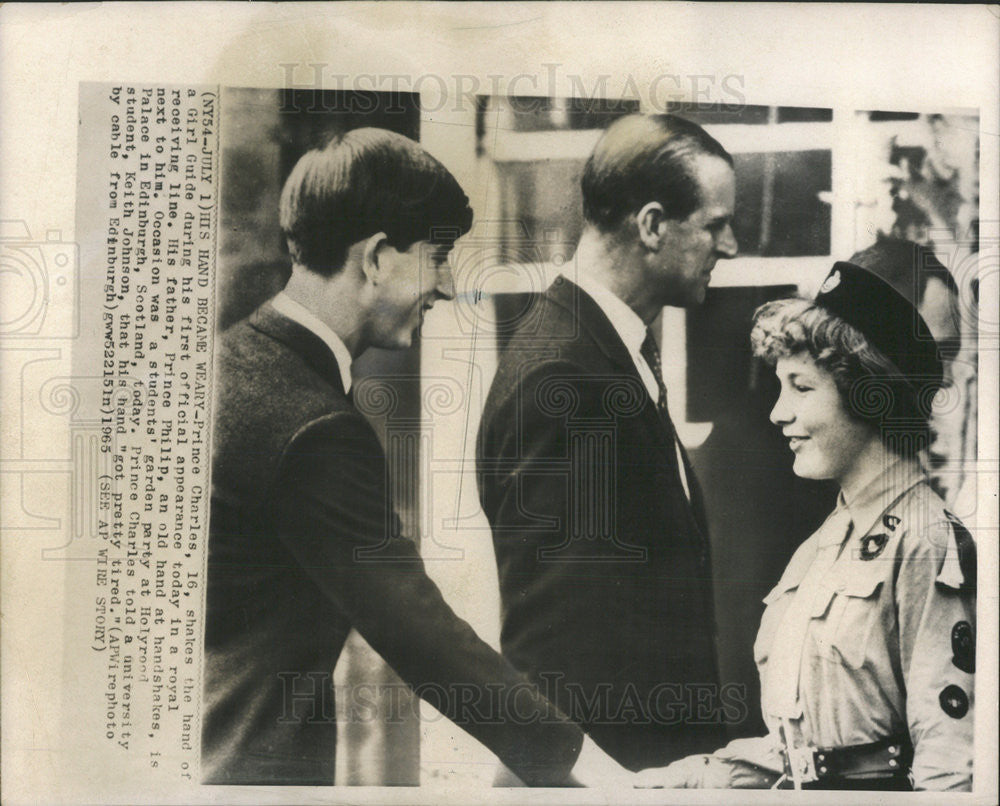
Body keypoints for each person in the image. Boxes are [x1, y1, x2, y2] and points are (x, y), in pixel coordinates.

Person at [202, 127, 646, 787]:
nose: (443, 286)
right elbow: (422, 634)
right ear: (377, 257)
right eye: (436, 256)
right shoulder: (316, 426)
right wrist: (607, 779)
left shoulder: (221, 365)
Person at [476, 113, 738, 775]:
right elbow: (551, 650)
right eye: (714, 224)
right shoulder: (564, 377)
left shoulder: (598, 350)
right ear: (651, 225)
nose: (729, 245)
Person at [655, 260, 975, 791]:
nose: (778, 413)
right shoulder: (826, 542)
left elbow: (950, 765)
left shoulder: (926, 538)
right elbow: (810, 751)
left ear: (867, 394)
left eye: (800, 387)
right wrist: (697, 778)